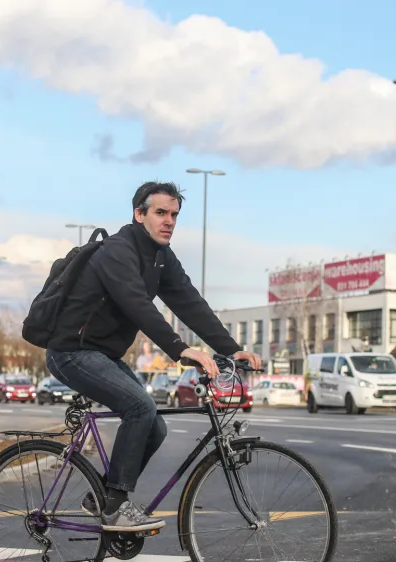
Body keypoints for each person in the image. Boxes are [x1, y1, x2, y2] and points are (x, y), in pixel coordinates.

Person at [45, 181, 262, 532]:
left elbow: (190, 302)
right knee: (140, 408)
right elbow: (138, 305)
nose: (169, 221)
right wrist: (181, 349)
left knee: (155, 427)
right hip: (71, 352)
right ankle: (115, 506)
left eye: (174, 214)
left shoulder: (161, 257)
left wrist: (230, 348)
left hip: (103, 355)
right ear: (139, 213)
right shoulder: (117, 251)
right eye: (161, 212)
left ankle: (102, 497)